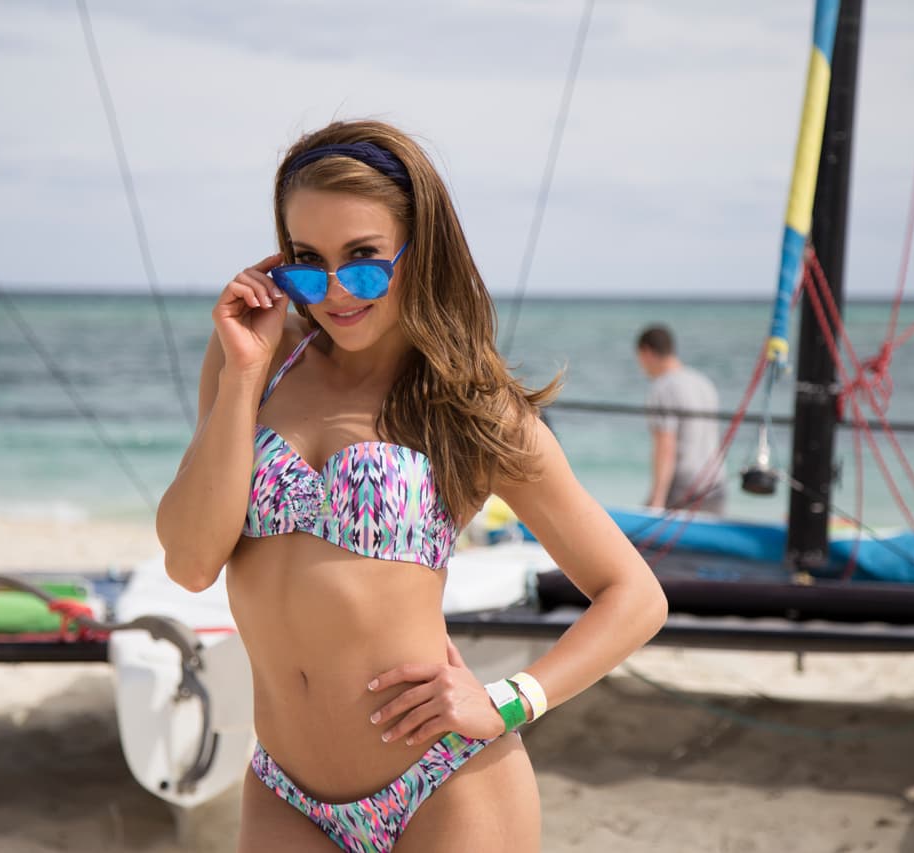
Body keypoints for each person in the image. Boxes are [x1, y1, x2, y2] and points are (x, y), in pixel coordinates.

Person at [156, 120, 668, 852]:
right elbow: (190, 559)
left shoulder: (467, 406)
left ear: (416, 249)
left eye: (363, 260)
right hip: (284, 790)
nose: (335, 290)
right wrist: (240, 376)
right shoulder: (258, 365)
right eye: (308, 262)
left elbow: (634, 594)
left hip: (444, 782)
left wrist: (510, 700)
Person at [636, 325, 727, 515]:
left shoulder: (663, 388)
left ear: (647, 352)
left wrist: (657, 499)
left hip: (683, 490)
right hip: (716, 486)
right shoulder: (703, 383)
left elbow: (665, 446)